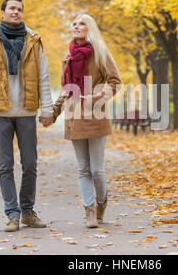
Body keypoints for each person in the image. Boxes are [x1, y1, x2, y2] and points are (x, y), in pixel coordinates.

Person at [0, 0, 55, 232]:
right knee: (5, 165)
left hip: (26, 111)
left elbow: (44, 77)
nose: (16, 12)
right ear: (2, 12)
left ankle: (27, 211)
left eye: (19, 9)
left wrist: (47, 109)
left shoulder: (33, 39)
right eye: (11, 8)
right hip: (0, 112)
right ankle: (12, 213)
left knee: (30, 164)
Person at [52, 13, 121, 228]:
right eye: (74, 23)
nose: (76, 26)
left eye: (81, 23)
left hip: (96, 115)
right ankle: (89, 211)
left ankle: (101, 203)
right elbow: (66, 87)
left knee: (96, 170)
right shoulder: (67, 55)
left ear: (89, 28)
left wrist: (98, 97)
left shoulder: (101, 53)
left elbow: (115, 82)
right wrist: (55, 110)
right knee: (83, 169)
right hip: (74, 116)